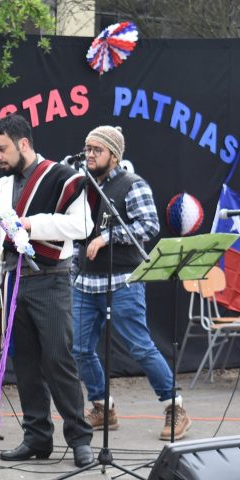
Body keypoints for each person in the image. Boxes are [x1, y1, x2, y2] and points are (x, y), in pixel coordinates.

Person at [0, 114, 96, 468]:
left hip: (51, 279)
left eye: (2, 149)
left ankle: (79, 439)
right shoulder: (2, 185)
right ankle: (37, 437)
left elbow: (82, 225)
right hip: (13, 280)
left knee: (58, 359)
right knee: (26, 363)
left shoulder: (62, 177)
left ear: (24, 144)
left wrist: (32, 224)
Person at [71, 125, 190, 441]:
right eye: (87, 148)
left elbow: (149, 225)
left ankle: (175, 407)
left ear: (113, 155)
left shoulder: (132, 184)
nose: (89, 155)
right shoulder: (82, 186)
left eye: (97, 150)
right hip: (86, 282)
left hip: (123, 279)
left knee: (139, 346)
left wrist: (107, 237)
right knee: (80, 348)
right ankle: (103, 406)